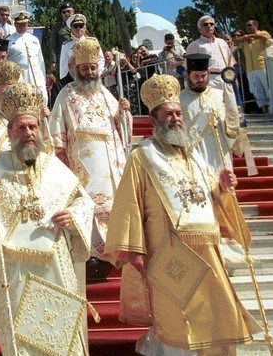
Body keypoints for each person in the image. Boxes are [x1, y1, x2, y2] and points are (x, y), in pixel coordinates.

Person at [104, 73, 260, 354]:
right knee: (176, 318)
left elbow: (210, 194)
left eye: (178, 113)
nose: (175, 118)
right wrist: (135, 250)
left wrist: (223, 187)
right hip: (167, 251)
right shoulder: (142, 156)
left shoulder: (194, 154)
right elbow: (129, 204)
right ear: (153, 120)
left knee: (212, 314)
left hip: (207, 250)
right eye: (168, 114)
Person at [0, 83, 96, 356]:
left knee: (60, 341)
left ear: (40, 130)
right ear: (9, 133)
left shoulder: (54, 167)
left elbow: (83, 202)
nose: (28, 133)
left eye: (32, 127)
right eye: (21, 128)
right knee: (22, 342)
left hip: (56, 269)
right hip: (16, 271)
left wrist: (73, 216)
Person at [50, 37, 132, 260]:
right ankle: (91, 252)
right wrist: (61, 158)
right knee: (87, 204)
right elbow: (56, 129)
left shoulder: (105, 93)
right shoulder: (66, 93)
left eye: (92, 68)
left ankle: (115, 249)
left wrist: (123, 112)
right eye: (84, 68)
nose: (89, 72)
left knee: (113, 203)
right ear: (77, 69)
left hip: (109, 160)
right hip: (83, 162)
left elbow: (120, 125)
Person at [181, 54, 256, 176]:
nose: (200, 80)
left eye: (203, 76)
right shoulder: (180, 98)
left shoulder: (220, 95)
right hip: (193, 153)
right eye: (196, 76)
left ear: (208, 75)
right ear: (188, 75)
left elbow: (231, 124)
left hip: (219, 151)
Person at [7, 11, 47, 103]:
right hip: (20, 77)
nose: (22, 26)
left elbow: (40, 61)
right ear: (15, 24)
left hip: (36, 76)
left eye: (24, 24)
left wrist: (43, 78)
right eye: (19, 24)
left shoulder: (34, 39)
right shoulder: (9, 40)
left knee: (42, 99)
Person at [234, 19, 273, 113]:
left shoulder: (263, 33)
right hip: (250, 69)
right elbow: (235, 42)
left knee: (268, 88)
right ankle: (264, 110)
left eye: (249, 25)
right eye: (246, 25)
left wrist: (251, 36)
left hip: (262, 65)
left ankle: (272, 109)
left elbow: (266, 39)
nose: (247, 27)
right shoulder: (245, 39)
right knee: (255, 90)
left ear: (256, 25)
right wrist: (244, 39)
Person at [186, 15, 235, 89]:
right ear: (200, 29)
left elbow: (230, 63)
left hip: (227, 78)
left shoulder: (222, 42)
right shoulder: (194, 45)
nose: (209, 26)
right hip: (210, 80)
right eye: (205, 24)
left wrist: (234, 80)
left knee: (231, 100)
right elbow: (189, 68)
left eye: (211, 24)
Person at [58, 13, 104, 79]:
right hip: (75, 79)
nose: (78, 28)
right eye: (75, 26)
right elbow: (64, 66)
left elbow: (100, 59)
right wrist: (64, 82)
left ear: (84, 27)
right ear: (71, 29)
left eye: (80, 26)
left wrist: (97, 74)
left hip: (92, 77)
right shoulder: (66, 45)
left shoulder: (93, 41)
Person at [48, 1, 75, 66]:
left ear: (73, 12)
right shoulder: (57, 27)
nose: (66, 14)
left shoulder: (79, 25)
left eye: (68, 11)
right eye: (64, 12)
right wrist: (53, 61)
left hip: (78, 58)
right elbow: (53, 46)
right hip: (63, 60)